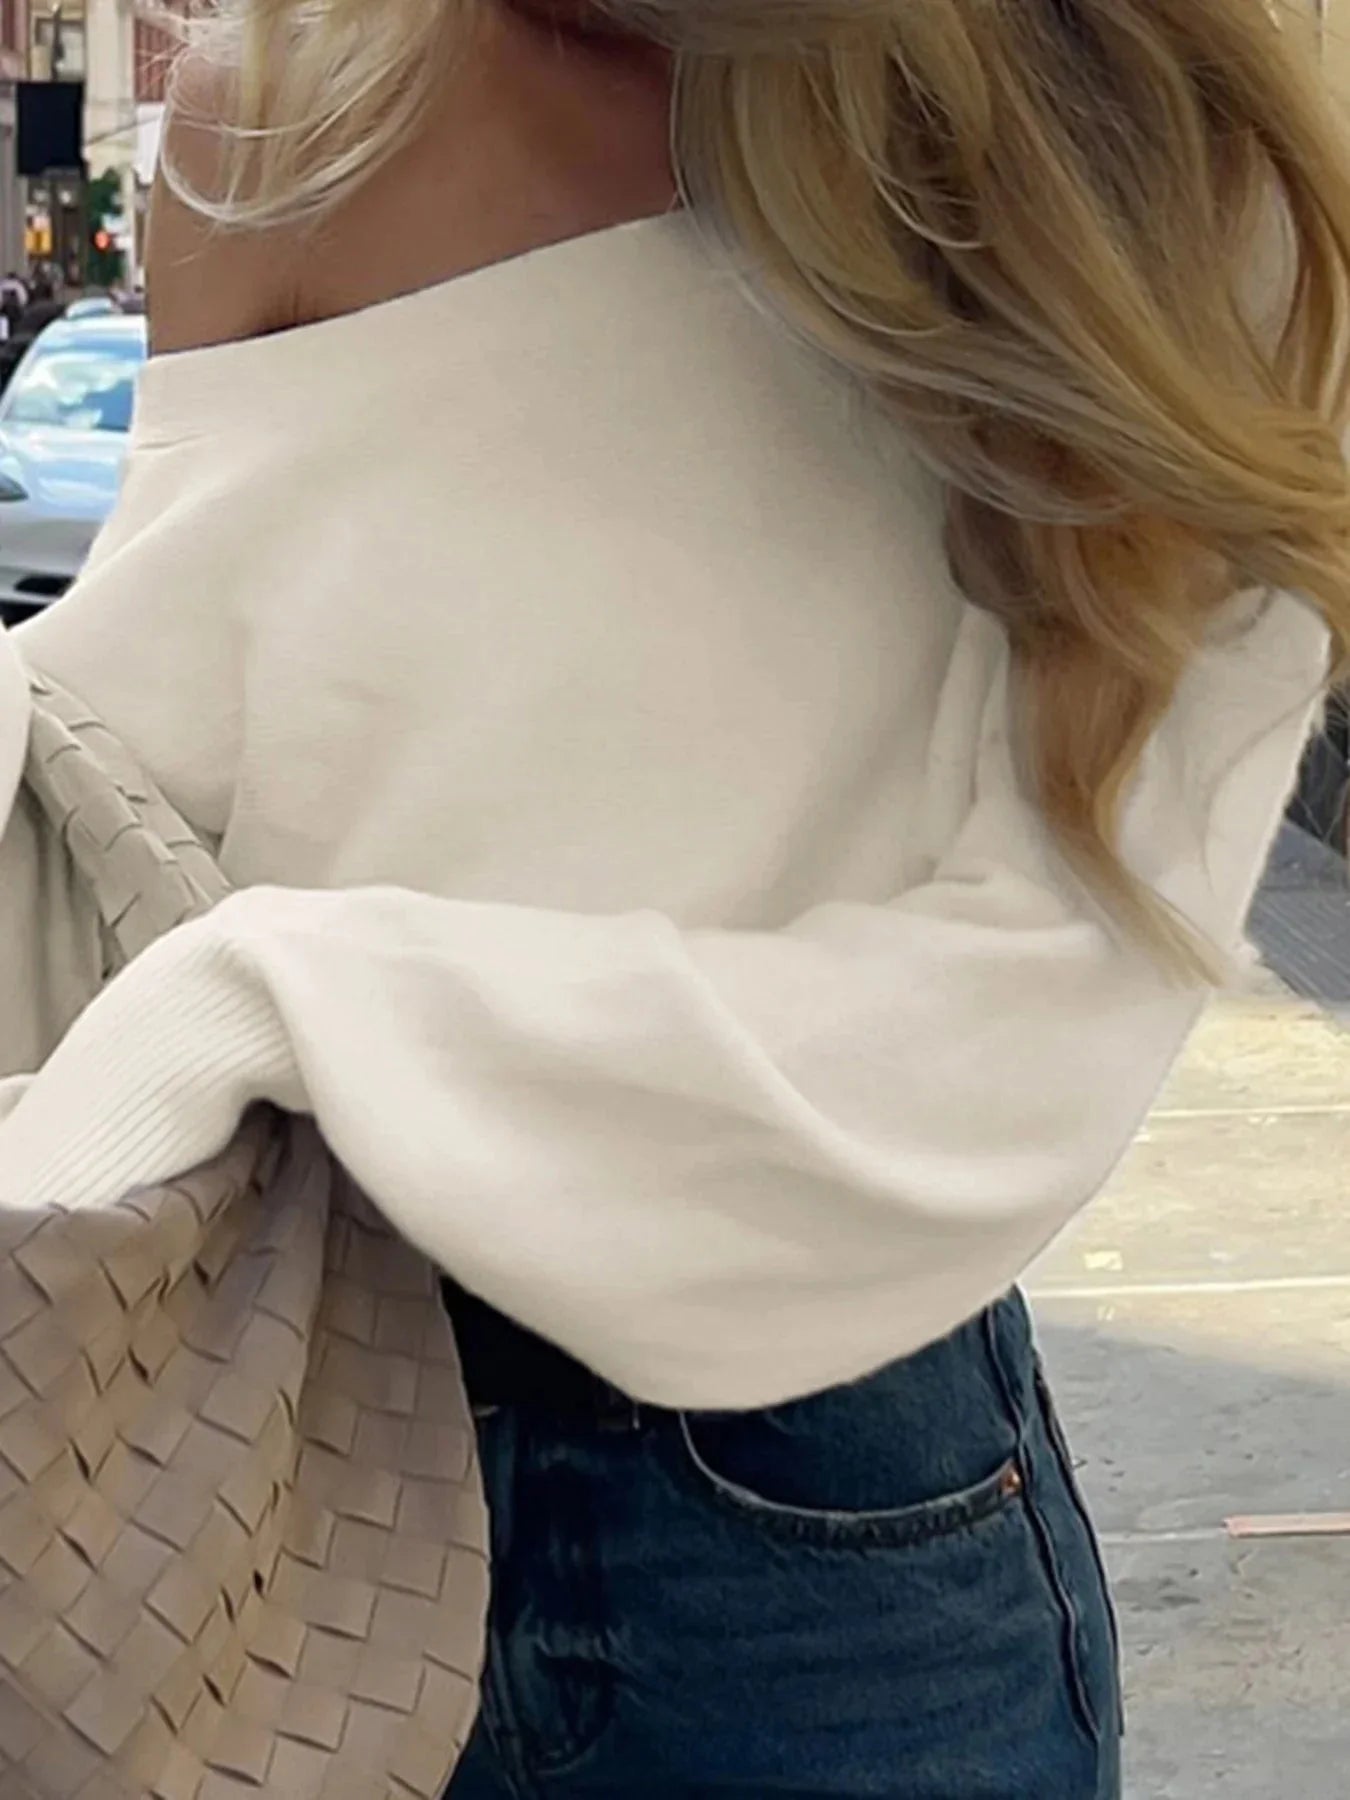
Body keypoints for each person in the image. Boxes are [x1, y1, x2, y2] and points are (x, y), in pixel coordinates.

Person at [3, 1, 1349, 1794]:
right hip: (236, 1405)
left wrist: (268, 1002)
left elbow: (1037, 1008)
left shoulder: (1137, 162)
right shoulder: (281, 121)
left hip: (798, 1516)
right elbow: (162, 780)